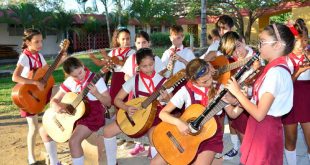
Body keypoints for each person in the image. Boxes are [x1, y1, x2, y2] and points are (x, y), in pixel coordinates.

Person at [226, 23, 295, 165]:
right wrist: (238, 99)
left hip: (264, 131)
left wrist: (238, 93)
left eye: (262, 42)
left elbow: (259, 114)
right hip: (261, 128)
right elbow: (259, 99)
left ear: (277, 45)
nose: (259, 46)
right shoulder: (273, 69)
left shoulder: (276, 72)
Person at [151, 59, 243, 165]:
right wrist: (179, 123)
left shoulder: (220, 89)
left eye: (210, 77)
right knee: (155, 163)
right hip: (186, 136)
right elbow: (163, 114)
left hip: (209, 137)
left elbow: (232, 113)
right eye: (204, 82)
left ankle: (212, 159)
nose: (209, 82)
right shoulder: (185, 91)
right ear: (194, 81)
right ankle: (215, 161)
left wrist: (241, 102)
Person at [103, 48, 172, 165]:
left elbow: (172, 103)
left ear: (154, 62)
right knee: (107, 131)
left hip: (156, 116)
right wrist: (126, 108)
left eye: (151, 64)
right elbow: (117, 100)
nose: (149, 68)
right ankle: (111, 163)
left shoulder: (163, 81)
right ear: (138, 65)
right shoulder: (134, 80)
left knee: (154, 137)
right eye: (144, 66)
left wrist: (167, 99)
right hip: (136, 114)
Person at [39, 57, 111, 165]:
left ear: (82, 66)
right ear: (69, 75)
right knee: (44, 131)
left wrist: (97, 94)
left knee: (73, 141)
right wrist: (55, 105)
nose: (79, 77)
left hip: (92, 115)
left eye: (80, 72)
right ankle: (54, 163)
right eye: (75, 76)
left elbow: (108, 103)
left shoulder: (96, 79)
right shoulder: (70, 81)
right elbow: (55, 99)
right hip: (75, 115)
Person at [12, 28, 66, 165]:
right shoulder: (25, 56)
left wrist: (62, 56)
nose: (40, 44)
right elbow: (15, 77)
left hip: (40, 94)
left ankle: (54, 139)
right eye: (36, 42)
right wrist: (35, 82)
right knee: (34, 127)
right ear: (28, 42)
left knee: (60, 94)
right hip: (28, 96)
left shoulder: (39, 56)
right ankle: (31, 157)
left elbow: (48, 70)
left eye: (41, 41)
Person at [121, 31, 164, 156]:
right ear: (135, 44)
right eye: (139, 43)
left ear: (149, 43)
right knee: (138, 116)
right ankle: (139, 145)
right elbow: (126, 75)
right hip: (136, 94)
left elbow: (160, 75)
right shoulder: (132, 58)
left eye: (144, 42)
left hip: (153, 94)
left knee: (150, 121)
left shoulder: (156, 59)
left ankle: (153, 150)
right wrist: (134, 80)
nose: (141, 45)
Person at [282, 18, 310, 165]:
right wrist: (298, 71)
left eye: (305, 40)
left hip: (307, 99)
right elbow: (285, 84)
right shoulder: (285, 58)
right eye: (299, 40)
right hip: (290, 100)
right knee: (291, 139)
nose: (303, 44)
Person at [89, 28, 135, 108]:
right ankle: (118, 118)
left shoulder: (132, 52)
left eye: (128, 39)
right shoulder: (113, 52)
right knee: (116, 101)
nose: (126, 41)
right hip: (115, 78)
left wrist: (105, 56)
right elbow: (100, 63)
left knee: (127, 101)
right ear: (118, 40)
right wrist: (92, 57)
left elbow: (123, 63)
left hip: (126, 78)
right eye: (123, 39)